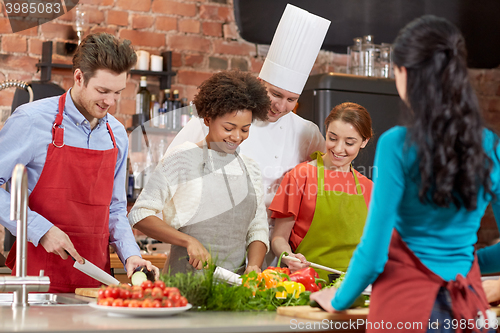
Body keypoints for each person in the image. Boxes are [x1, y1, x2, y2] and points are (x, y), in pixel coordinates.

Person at [310, 15, 500, 332]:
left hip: (407, 310)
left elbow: (374, 252)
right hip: (468, 310)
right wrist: (464, 264)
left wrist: (339, 299)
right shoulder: (490, 145)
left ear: (404, 72)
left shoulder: (397, 143)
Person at [167, 4, 330, 268]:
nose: (281, 106)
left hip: (272, 251)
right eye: (275, 94)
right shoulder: (218, 117)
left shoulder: (307, 133)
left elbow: (324, 187)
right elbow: (170, 175)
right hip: (209, 244)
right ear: (259, 81)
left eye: (292, 99)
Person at [0, 33, 157, 292]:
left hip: (95, 281)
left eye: (118, 92)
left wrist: (132, 255)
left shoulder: (116, 135)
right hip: (37, 279)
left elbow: (115, 209)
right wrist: (40, 229)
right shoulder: (31, 120)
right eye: (102, 91)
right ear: (79, 78)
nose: (110, 101)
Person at [128, 71, 271, 275]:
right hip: (185, 284)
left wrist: (254, 266)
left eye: (245, 129)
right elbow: (140, 214)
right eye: (229, 128)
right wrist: (188, 241)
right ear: (208, 119)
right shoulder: (182, 158)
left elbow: (257, 229)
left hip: (235, 288)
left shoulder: (251, 168)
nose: (237, 137)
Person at [269, 102, 373, 282]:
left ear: (364, 142)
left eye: (349, 142)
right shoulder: (300, 176)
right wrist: (288, 256)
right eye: (332, 138)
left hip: (356, 286)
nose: (338, 149)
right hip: (307, 282)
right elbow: (278, 238)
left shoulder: (369, 187)